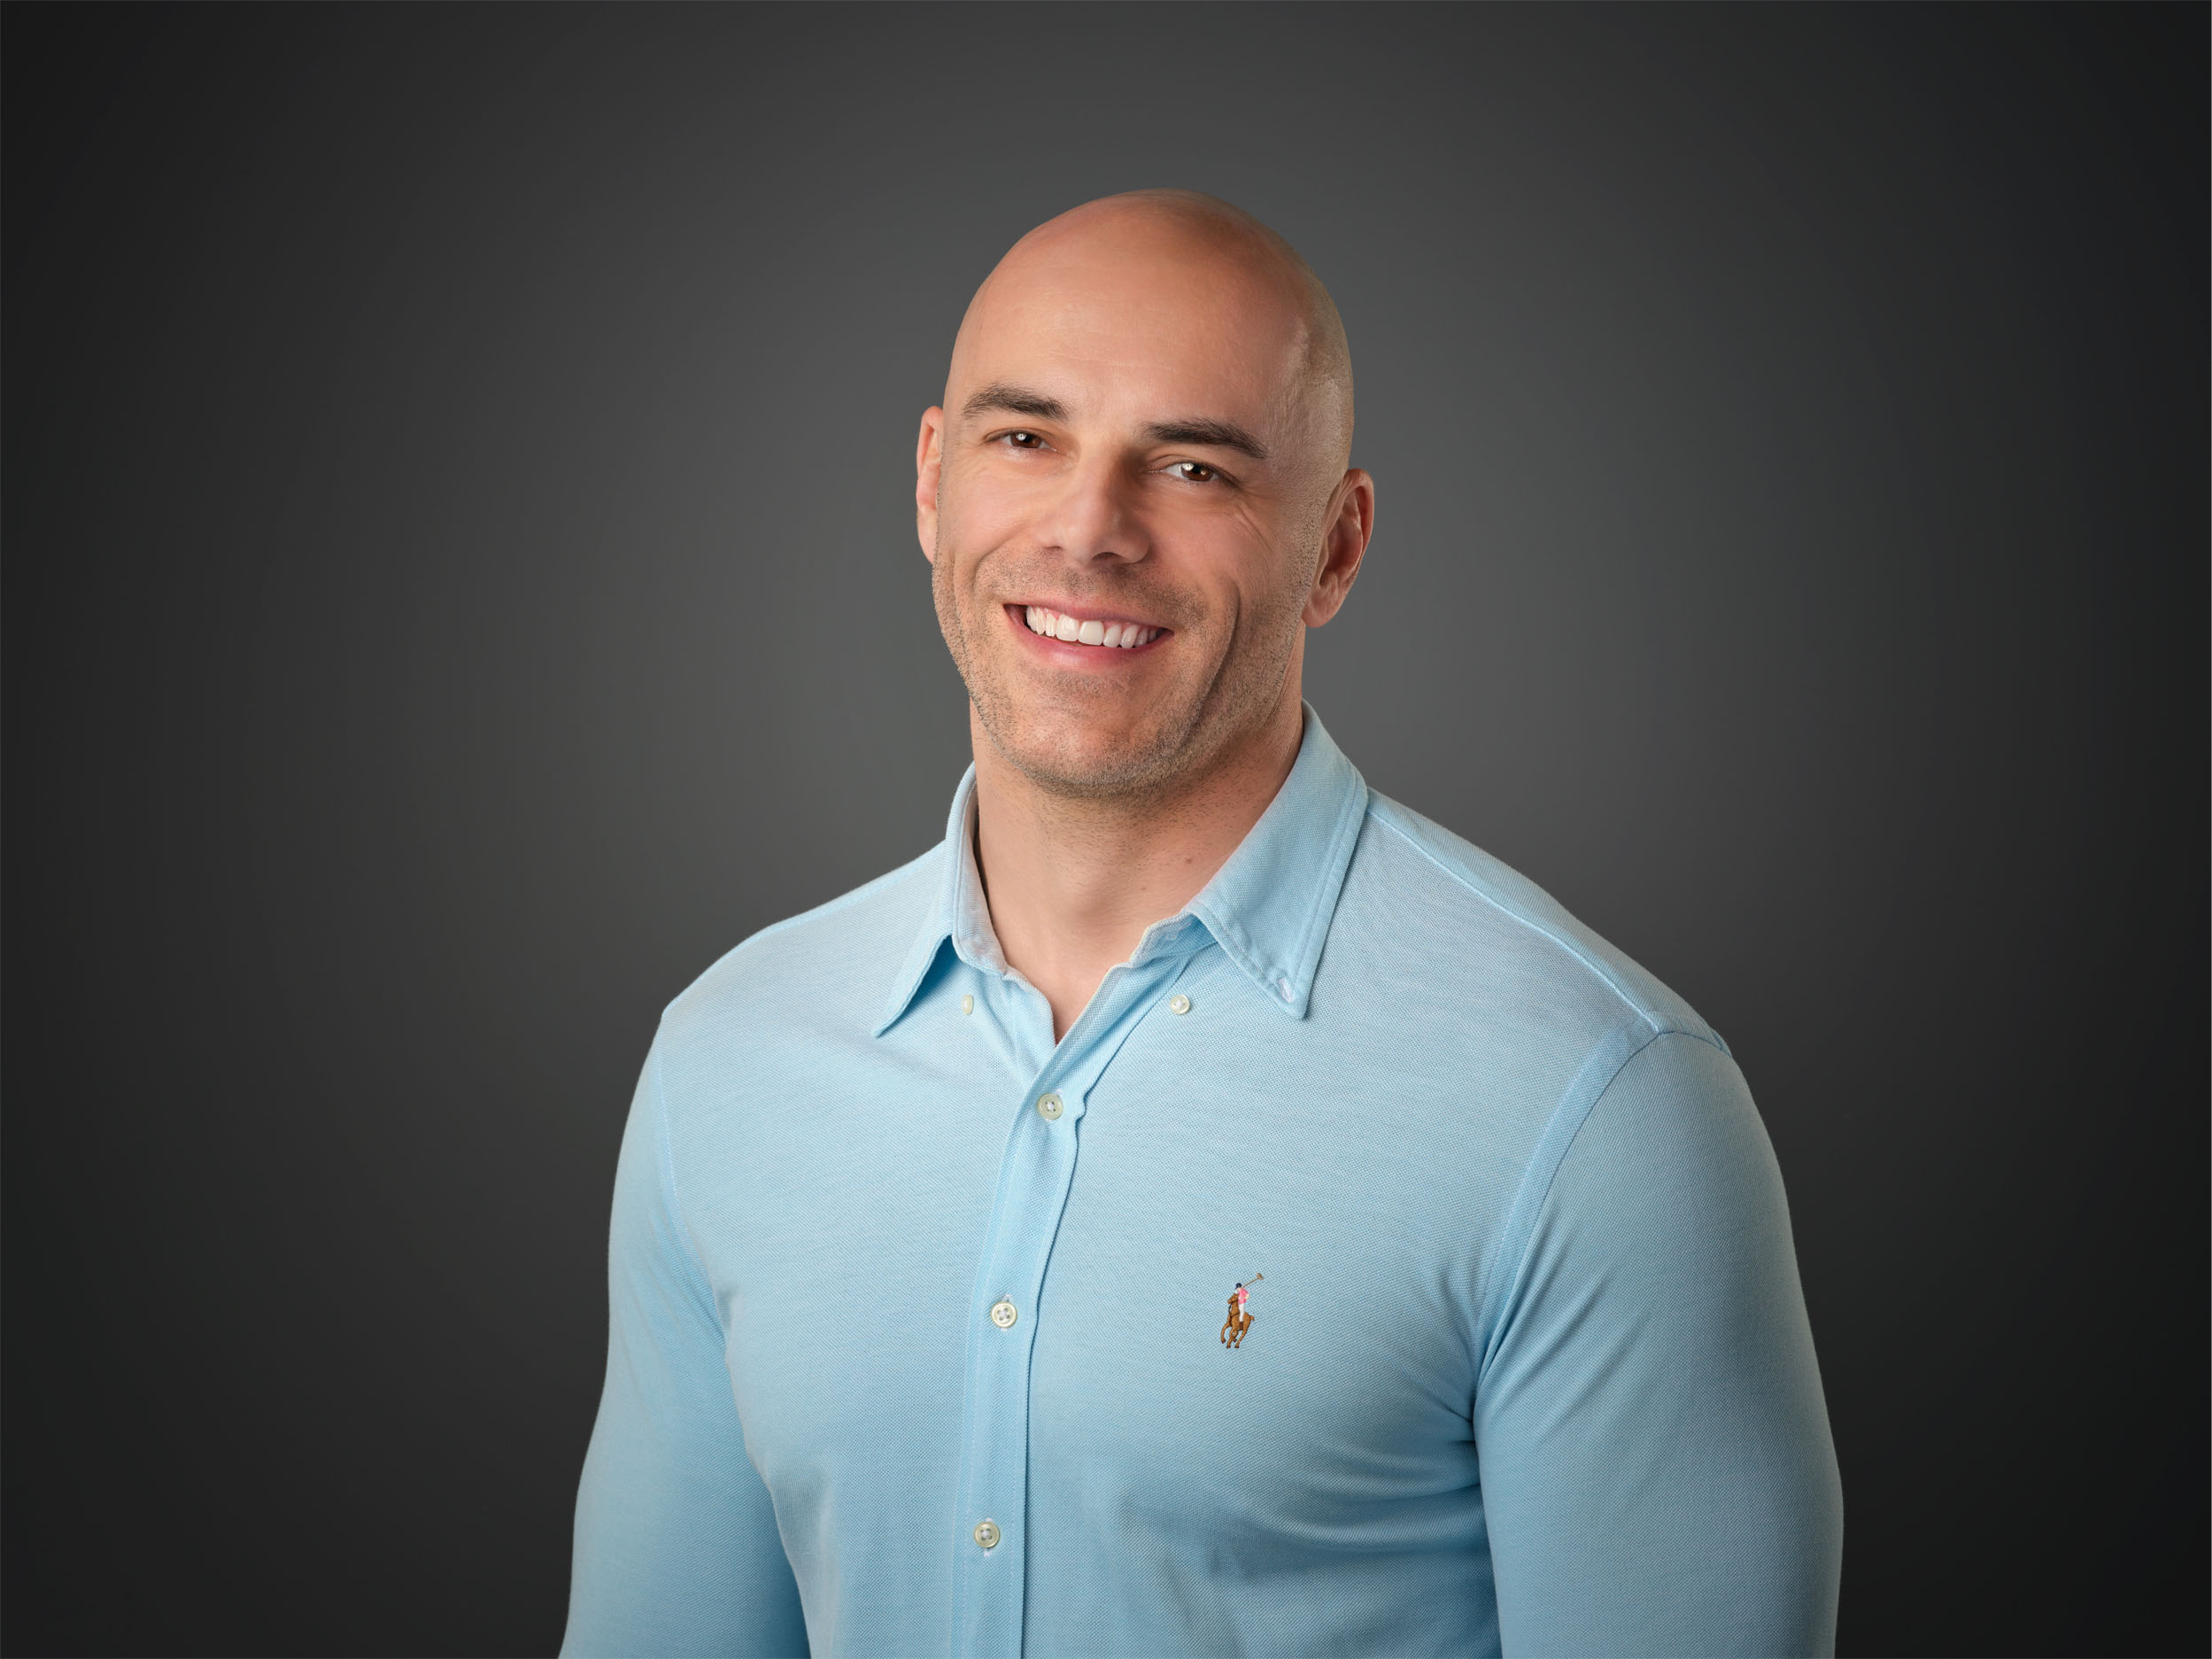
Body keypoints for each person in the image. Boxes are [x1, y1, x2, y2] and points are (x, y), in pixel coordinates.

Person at [561, 190, 1842, 1658]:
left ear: (1335, 548)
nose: (1088, 530)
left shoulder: (1596, 1104)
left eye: (1191, 467)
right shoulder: (729, 1058)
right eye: (1024, 438)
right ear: (929, 482)